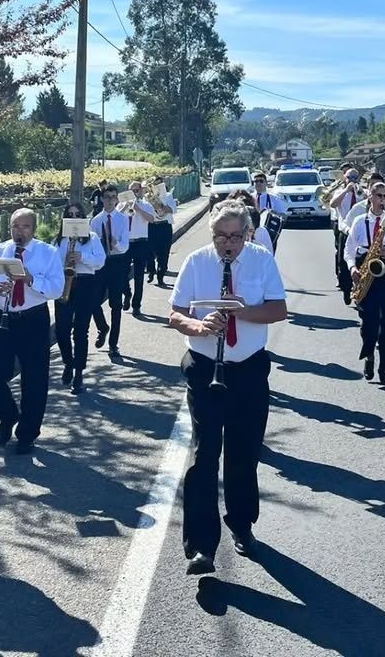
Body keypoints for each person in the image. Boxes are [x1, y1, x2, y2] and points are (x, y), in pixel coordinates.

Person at [169, 201, 287, 576]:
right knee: (205, 454)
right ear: (212, 234)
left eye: (236, 236)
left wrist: (241, 310)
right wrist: (199, 327)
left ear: (247, 234)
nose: (228, 244)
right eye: (221, 236)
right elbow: (175, 313)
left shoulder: (261, 260)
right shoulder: (197, 261)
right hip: (205, 368)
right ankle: (201, 547)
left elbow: (278, 309)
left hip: (249, 370)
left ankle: (242, 524)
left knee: (243, 451)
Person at [0, 208, 66, 453]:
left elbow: (56, 290)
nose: (19, 232)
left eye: (25, 227)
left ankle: (27, 434)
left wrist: (31, 280)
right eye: (15, 227)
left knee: (35, 379)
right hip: (2, 318)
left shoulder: (47, 253)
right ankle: (8, 415)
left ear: (34, 228)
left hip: (33, 319)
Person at [343, 180, 385, 385]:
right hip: (366, 267)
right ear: (370, 197)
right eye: (379, 196)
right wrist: (353, 268)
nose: (383, 200)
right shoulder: (359, 221)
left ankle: (384, 367)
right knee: (369, 321)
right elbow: (348, 249)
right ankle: (369, 354)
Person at [53, 201, 106, 394]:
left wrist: (82, 258)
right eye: (70, 215)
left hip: (85, 284)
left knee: (81, 332)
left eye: (77, 215)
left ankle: (78, 373)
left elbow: (100, 262)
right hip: (64, 285)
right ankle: (68, 362)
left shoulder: (91, 238)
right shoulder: (58, 241)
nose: (74, 218)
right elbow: (53, 265)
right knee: (61, 330)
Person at [89, 186, 130, 356]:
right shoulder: (96, 221)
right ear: (102, 199)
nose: (111, 200)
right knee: (93, 301)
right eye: (107, 197)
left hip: (117, 262)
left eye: (114, 197)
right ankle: (102, 327)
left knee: (116, 304)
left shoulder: (123, 219)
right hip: (101, 264)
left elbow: (125, 246)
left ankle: (114, 343)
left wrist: (115, 243)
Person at [121, 181, 157, 313]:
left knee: (139, 275)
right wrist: (126, 207)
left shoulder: (146, 205)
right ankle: (127, 293)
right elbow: (116, 217)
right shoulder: (122, 205)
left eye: (136, 191)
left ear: (141, 191)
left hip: (141, 242)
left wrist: (138, 209)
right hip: (126, 243)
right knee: (122, 273)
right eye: (131, 191)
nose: (134, 194)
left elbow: (152, 219)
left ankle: (136, 304)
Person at [330, 168, 364, 303]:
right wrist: (346, 191)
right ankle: (346, 288)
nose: (353, 180)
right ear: (345, 178)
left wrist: (361, 193)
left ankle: (358, 291)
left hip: (360, 233)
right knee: (344, 263)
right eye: (350, 177)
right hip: (345, 232)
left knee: (360, 262)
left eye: (355, 177)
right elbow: (333, 204)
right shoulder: (339, 192)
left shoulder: (362, 192)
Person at [147, 176, 178, 287]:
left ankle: (161, 275)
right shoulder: (147, 197)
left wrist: (161, 205)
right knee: (149, 251)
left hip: (164, 226)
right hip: (151, 226)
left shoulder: (168, 196)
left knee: (164, 252)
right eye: (155, 184)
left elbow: (173, 210)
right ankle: (151, 270)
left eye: (160, 184)